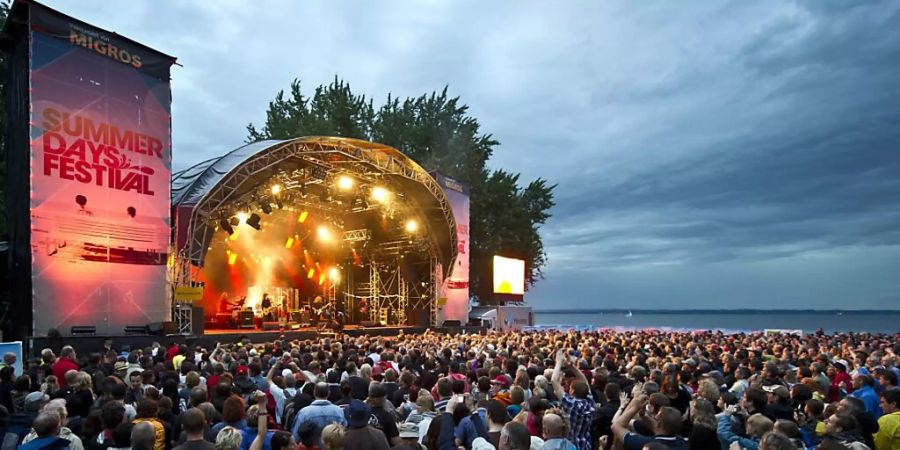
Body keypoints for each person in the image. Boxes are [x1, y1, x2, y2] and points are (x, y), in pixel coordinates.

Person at [551, 350, 594, 450]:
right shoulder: (590, 402)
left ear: (572, 391)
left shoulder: (571, 404)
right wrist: (571, 366)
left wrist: (559, 361)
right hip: (585, 445)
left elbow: (554, 381)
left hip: (571, 445)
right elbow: (585, 381)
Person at [291, 382, 346, 446]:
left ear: (314, 393)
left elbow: (296, 436)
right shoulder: (339, 411)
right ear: (329, 393)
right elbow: (344, 432)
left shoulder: (304, 413)